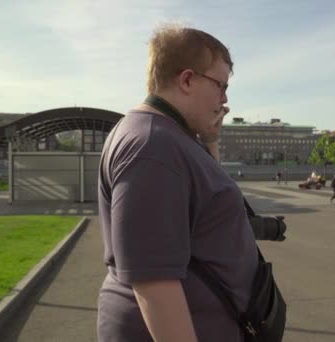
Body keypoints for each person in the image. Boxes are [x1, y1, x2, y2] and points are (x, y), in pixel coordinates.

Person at [97, 24, 259, 342]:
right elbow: (153, 283)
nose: (225, 99)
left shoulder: (170, 136)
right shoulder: (152, 146)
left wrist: (210, 140)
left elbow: (209, 199)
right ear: (187, 80)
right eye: (220, 86)